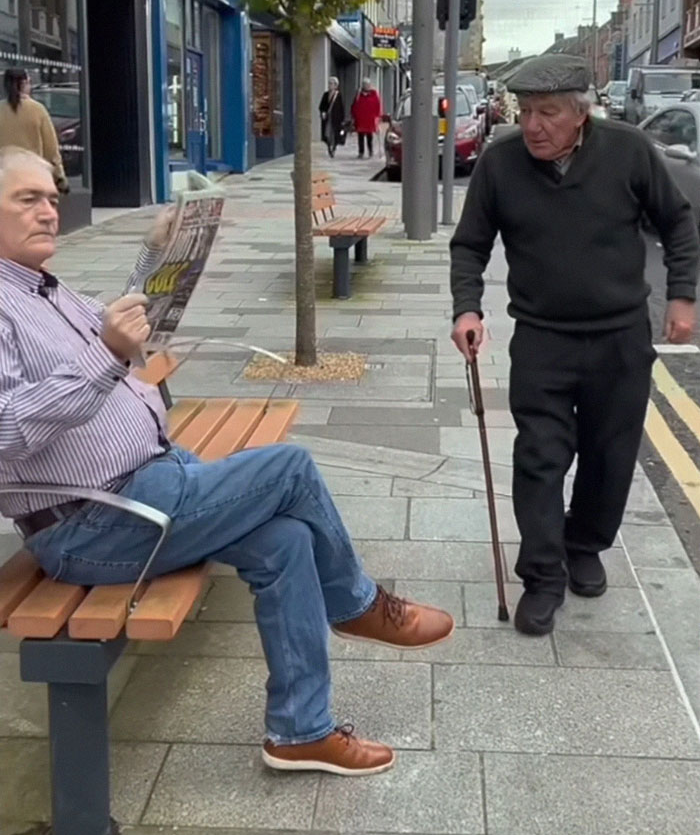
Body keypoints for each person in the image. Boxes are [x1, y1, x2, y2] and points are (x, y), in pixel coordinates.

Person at [0, 148, 454, 776]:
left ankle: (300, 732)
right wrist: (107, 356)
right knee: (290, 468)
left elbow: (113, 329)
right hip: (94, 523)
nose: (50, 211)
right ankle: (357, 606)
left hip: (152, 484)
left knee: (288, 539)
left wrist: (158, 258)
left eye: (52, 197)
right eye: (29, 200)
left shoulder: (43, 287)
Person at [450, 54, 699, 637]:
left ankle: (584, 543)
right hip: (542, 338)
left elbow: (678, 223)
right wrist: (467, 308)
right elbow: (470, 245)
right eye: (526, 111)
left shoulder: (629, 150)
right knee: (539, 455)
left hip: (620, 335)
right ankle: (542, 575)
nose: (533, 125)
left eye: (549, 113)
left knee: (610, 455)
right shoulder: (501, 162)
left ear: (581, 114)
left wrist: (682, 296)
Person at [0, 67, 68, 192]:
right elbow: (51, 149)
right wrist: (60, 177)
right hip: (33, 176)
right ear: (24, 84)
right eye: (29, 82)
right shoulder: (38, 110)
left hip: (5, 178)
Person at [351, 77, 381, 158]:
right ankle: (361, 152)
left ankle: (370, 151)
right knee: (360, 137)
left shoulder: (374, 94)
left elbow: (378, 105)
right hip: (360, 119)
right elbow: (354, 106)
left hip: (370, 119)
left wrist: (378, 117)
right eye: (364, 84)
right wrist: (353, 116)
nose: (366, 86)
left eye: (367, 84)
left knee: (369, 136)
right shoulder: (358, 94)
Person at [319, 76, 345, 158]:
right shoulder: (325, 94)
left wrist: (342, 119)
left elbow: (341, 108)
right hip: (327, 118)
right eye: (329, 83)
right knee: (327, 133)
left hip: (336, 119)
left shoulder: (338, 95)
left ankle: (333, 147)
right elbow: (321, 106)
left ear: (336, 85)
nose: (330, 85)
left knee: (334, 133)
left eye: (332, 84)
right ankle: (329, 146)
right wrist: (322, 112)